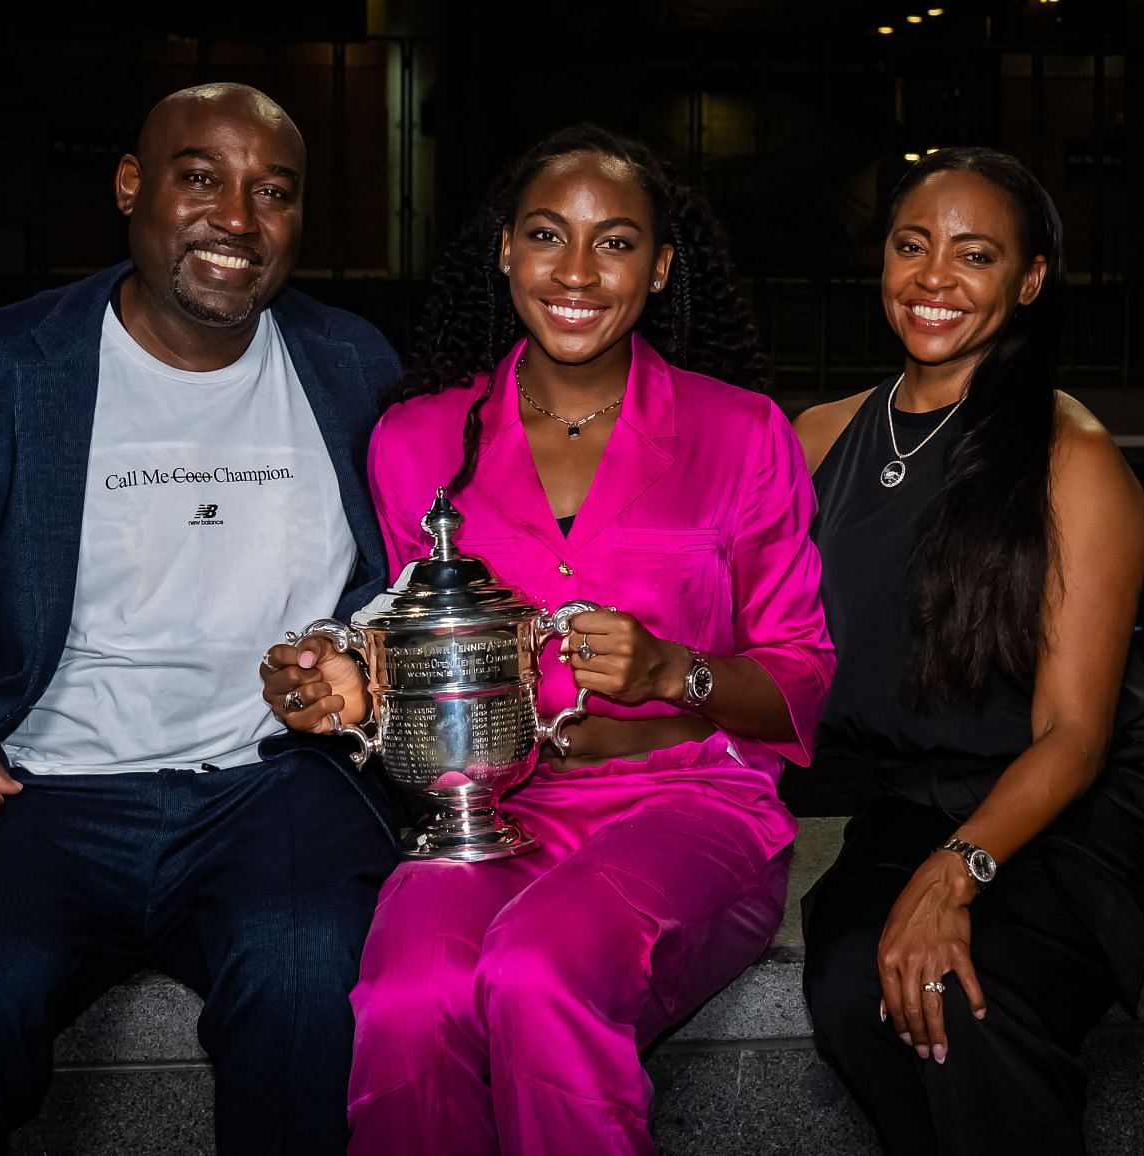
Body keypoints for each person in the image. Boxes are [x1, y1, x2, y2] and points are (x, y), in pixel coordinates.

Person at [0, 84, 402, 1155]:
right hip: (37, 792)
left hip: (272, 792)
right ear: (132, 187)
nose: (238, 218)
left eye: (275, 192)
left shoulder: (355, 367)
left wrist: (362, 654)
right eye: (200, 178)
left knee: (312, 992)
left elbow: (405, 575)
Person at [260, 125, 833, 1155]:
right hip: (491, 814)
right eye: (544, 235)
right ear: (504, 252)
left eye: (614, 243)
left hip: (691, 803)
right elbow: (406, 658)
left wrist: (676, 669)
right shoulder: (418, 443)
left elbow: (800, 678)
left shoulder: (745, 434)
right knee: (404, 997)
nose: (575, 272)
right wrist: (347, 688)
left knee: (538, 973)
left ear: (659, 268)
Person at [792, 147, 1144, 1155]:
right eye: (912, 245)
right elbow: (752, 641)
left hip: (1088, 798)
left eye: (974, 255)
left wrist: (955, 872)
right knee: (850, 985)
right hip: (919, 790)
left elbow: (1073, 732)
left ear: (1027, 282)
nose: (934, 277)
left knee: (964, 994)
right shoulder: (816, 437)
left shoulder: (1075, 461)